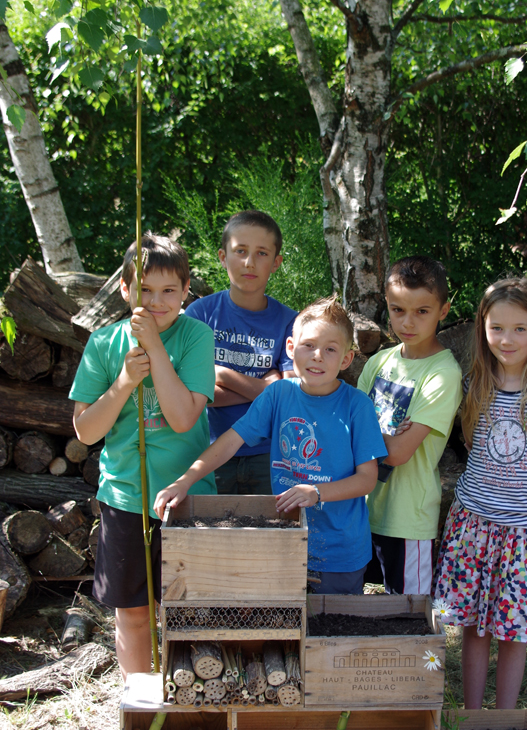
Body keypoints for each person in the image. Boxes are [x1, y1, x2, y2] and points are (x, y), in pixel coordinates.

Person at [155, 296, 387, 594]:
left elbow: (367, 479)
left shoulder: (358, 406)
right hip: (285, 541)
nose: (317, 356)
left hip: (340, 551)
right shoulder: (278, 394)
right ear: (290, 348)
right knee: (284, 630)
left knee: (332, 635)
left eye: (330, 349)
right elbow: (229, 442)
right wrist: (185, 481)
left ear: (346, 359)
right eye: (309, 345)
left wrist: (316, 493)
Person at [69, 236, 217, 679]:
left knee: (190, 613)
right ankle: (141, 704)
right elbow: (86, 430)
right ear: (124, 290)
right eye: (144, 290)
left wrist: (155, 349)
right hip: (125, 498)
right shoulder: (103, 343)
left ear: (186, 289)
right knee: (133, 614)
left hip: (186, 499)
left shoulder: (195, 336)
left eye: (168, 290)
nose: (156, 302)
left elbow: (183, 418)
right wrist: (124, 383)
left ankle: (190, 700)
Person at [434, 277, 527, 709]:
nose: (507, 338)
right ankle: (473, 715)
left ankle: (502, 718)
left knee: (511, 632)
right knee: (475, 628)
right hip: (475, 525)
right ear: (482, 327)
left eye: (520, 328)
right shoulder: (473, 383)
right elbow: (464, 439)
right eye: (497, 327)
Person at [358, 256, 462, 595]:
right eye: (398, 309)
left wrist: (369, 437)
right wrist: (384, 437)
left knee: (406, 618)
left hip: (407, 520)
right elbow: (346, 428)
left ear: (443, 310)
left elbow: (400, 452)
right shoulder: (378, 362)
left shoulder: (443, 373)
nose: (408, 322)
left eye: (422, 311)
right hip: (360, 508)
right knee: (345, 610)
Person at [184, 210, 297, 495]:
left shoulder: (290, 322)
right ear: (223, 257)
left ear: (276, 263)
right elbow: (190, 395)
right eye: (240, 251)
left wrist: (222, 375)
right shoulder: (200, 314)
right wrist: (267, 386)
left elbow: (290, 396)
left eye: (261, 253)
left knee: (267, 539)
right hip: (207, 454)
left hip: (268, 455)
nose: (249, 262)